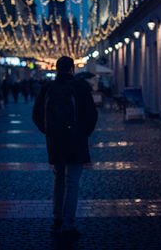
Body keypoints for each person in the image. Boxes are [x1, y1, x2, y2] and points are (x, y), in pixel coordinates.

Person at [32, 56, 98, 241]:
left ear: (56, 69)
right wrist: (83, 133)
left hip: (55, 142)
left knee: (59, 179)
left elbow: (36, 115)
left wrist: (49, 132)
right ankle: (69, 224)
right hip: (75, 142)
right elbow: (92, 115)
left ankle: (57, 219)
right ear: (72, 69)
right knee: (72, 183)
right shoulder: (80, 87)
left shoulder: (48, 88)